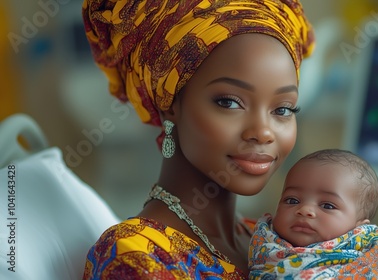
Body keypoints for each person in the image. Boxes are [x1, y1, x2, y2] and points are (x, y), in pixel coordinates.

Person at [81, 0, 315, 278]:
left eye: (283, 109)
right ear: (169, 103)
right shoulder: (137, 258)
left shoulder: (271, 241)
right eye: (229, 102)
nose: (263, 132)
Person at [248, 149, 378, 279]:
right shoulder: (261, 244)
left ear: (359, 229)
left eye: (327, 205)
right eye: (292, 200)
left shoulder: (370, 264)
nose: (305, 210)